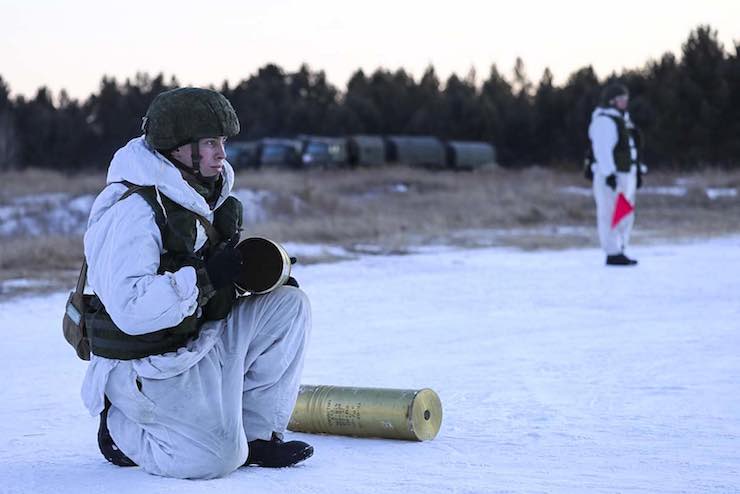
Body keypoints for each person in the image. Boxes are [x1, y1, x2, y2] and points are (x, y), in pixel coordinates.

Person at [81, 87, 313, 479]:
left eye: (221, 142)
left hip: (194, 342)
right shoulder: (134, 209)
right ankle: (121, 430)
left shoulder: (199, 195)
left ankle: (255, 435)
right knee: (215, 460)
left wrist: (250, 279)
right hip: (145, 366)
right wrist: (204, 280)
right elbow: (132, 310)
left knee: (289, 307)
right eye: (209, 143)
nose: (221, 153)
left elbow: (206, 277)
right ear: (177, 148)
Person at [587, 82, 644, 266]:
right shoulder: (605, 121)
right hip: (611, 175)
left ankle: (621, 248)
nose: (624, 103)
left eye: (625, 99)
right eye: (621, 99)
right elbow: (602, 150)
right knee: (610, 213)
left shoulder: (623, 120)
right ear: (611, 101)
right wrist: (609, 174)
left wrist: (638, 172)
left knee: (625, 213)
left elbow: (631, 149)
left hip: (626, 174)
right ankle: (612, 252)